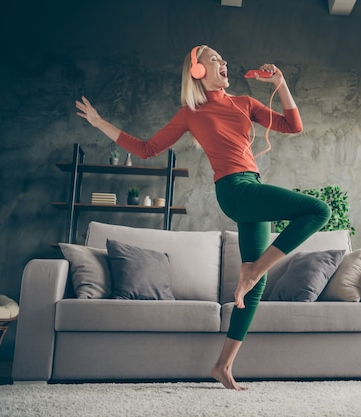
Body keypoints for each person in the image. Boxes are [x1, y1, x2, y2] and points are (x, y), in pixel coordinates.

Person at [75, 45, 331, 390]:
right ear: (197, 70)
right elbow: (147, 149)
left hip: (252, 187)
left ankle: (222, 366)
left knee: (254, 288)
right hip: (234, 191)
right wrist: (98, 122)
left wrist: (281, 84)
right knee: (319, 210)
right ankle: (254, 269)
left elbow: (293, 126)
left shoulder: (243, 102)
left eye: (223, 59)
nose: (224, 63)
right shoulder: (190, 112)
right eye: (215, 59)